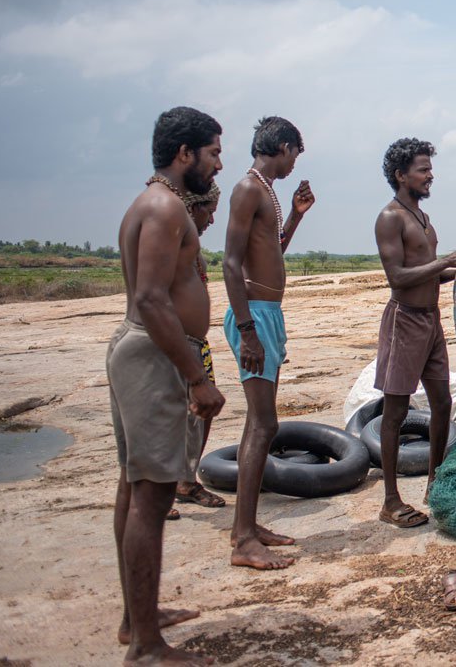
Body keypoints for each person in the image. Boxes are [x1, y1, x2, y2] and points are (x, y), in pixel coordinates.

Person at [111, 106, 226, 664]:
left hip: (146, 349)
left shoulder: (156, 204)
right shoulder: (163, 208)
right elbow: (152, 299)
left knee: (135, 487)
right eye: (213, 152)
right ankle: (148, 648)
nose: (218, 164)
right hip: (155, 354)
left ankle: (139, 618)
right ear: (185, 154)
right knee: (152, 495)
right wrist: (196, 377)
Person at [221, 116, 315, 569]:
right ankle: (242, 540)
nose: (296, 162)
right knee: (263, 426)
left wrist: (296, 215)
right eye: (295, 152)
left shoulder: (266, 191)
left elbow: (271, 250)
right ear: (282, 146)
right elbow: (230, 263)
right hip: (254, 316)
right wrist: (246, 331)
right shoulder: (248, 189)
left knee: (257, 426)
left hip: (266, 315)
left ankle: (249, 525)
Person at [374, 138, 456, 527]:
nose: (429, 174)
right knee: (396, 411)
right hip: (404, 321)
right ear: (402, 176)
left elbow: (432, 273)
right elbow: (397, 277)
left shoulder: (422, 217)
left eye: (429, 168)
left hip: (431, 322)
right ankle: (390, 501)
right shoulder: (391, 218)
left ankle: (435, 481)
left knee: (442, 403)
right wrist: (444, 261)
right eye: (422, 169)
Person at [168, 182, 226, 519]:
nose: (212, 219)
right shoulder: (171, 242)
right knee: (168, 417)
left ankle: (185, 482)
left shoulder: (190, 244)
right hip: (175, 343)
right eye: (209, 210)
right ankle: (156, 490)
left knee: (199, 417)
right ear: (192, 209)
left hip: (195, 342)